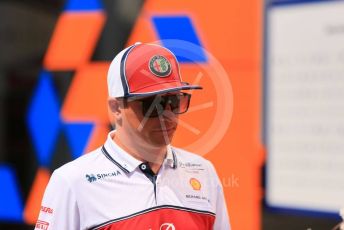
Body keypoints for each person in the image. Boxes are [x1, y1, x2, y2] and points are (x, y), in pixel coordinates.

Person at [35, 42, 231, 230]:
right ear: (116, 108)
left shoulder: (203, 172)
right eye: (153, 104)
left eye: (175, 100)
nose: (168, 115)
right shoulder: (72, 182)